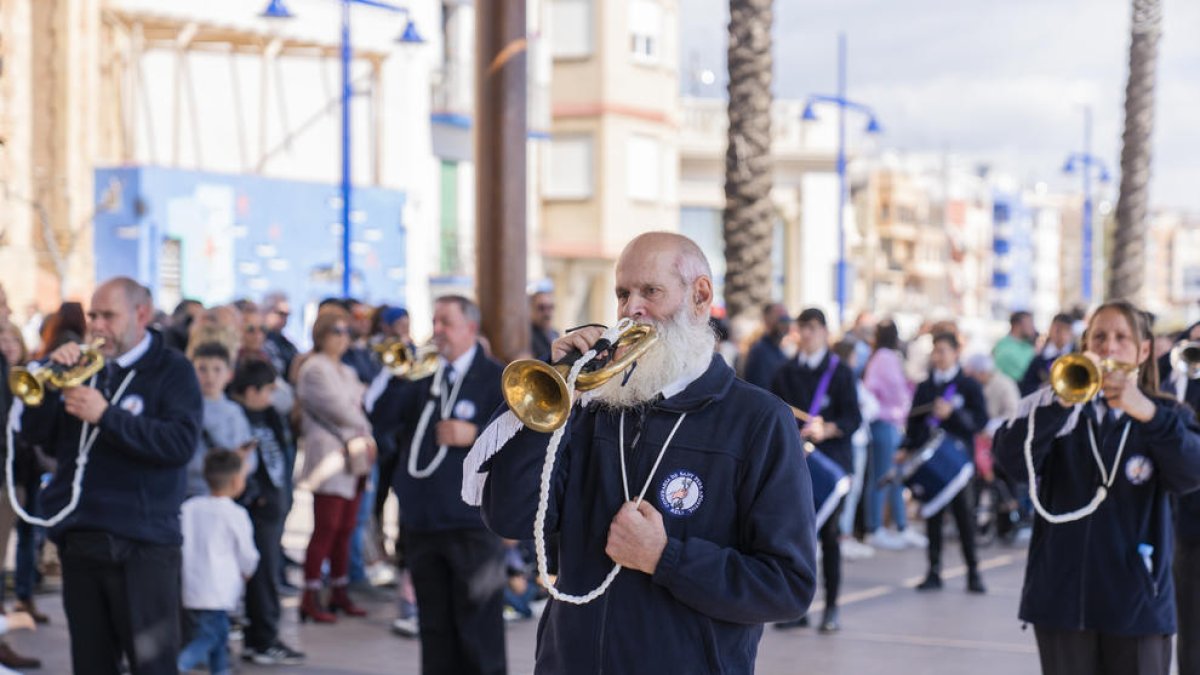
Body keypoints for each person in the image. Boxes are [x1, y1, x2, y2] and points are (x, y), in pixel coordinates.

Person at [471, 232, 817, 673]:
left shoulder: (759, 419)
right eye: (622, 293)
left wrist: (665, 557)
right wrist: (550, 401)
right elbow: (510, 517)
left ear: (700, 295)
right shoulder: (592, 405)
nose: (632, 308)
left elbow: (788, 585)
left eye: (650, 291)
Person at [994, 301, 1200, 675]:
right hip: (1061, 600)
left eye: (1122, 338)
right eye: (1099, 337)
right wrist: (1059, 406)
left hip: (1138, 604)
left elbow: (1191, 474)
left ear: (1143, 351)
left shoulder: (1168, 414)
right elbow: (1010, 464)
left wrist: (1148, 414)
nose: (1108, 347)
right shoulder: (1053, 406)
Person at [15, 277, 202, 673]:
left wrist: (106, 416)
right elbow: (38, 438)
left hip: (144, 546)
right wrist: (49, 384)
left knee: (152, 665)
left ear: (141, 314)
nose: (97, 326)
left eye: (108, 316)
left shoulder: (173, 370)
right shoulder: (83, 366)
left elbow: (179, 445)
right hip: (82, 540)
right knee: (91, 665)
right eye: (93, 316)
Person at [371, 295, 508, 674]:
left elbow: (521, 443)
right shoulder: (420, 376)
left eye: (446, 322)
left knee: (479, 629)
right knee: (434, 629)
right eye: (434, 321)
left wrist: (475, 433)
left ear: (470, 327)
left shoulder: (497, 378)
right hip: (422, 521)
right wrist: (397, 377)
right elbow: (381, 422)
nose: (438, 331)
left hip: (471, 524)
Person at [770, 307, 861, 632]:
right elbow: (775, 415)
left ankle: (832, 608)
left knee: (831, 536)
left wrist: (829, 428)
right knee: (798, 538)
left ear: (824, 331)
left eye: (811, 328)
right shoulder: (785, 372)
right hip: (797, 464)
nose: (806, 334)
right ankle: (797, 608)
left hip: (832, 465)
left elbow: (854, 419)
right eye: (801, 328)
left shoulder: (841, 373)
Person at [295, 306, 375, 623]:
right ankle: (310, 595)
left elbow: (362, 403)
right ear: (321, 335)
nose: (344, 339)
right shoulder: (314, 368)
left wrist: (359, 417)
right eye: (338, 332)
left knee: (346, 528)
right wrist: (362, 423)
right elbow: (343, 409)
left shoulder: (346, 370)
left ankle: (340, 592)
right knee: (325, 528)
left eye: (347, 333)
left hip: (352, 455)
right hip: (330, 457)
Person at [229, 360, 306, 665]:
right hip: (256, 509)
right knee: (262, 577)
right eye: (269, 390)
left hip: (274, 505)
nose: (274, 396)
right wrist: (256, 496)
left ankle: (262, 638)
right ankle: (262, 640)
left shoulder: (269, 415)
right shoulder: (239, 418)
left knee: (270, 574)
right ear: (251, 391)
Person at [905, 331, 988, 594]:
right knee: (933, 517)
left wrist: (954, 413)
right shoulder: (925, 386)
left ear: (955, 353)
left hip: (959, 463)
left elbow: (980, 422)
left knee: (965, 518)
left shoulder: (968, 386)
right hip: (932, 463)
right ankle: (933, 571)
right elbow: (913, 423)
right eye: (935, 351)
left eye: (943, 351)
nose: (938, 356)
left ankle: (973, 572)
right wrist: (907, 447)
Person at [178, 450, 260, 675]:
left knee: (219, 636)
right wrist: (248, 570)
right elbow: (247, 553)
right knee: (210, 636)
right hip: (219, 589)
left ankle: (220, 670)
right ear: (236, 481)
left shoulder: (189, 507)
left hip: (191, 585)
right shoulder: (235, 514)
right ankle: (177, 665)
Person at [863, 319, 921, 550]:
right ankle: (875, 527)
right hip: (885, 423)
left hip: (891, 424)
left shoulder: (881, 357)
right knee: (883, 477)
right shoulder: (885, 358)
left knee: (894, 478)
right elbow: (891, 391)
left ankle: (899, 525)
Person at [188, 342, 255, 497]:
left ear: (229, 374)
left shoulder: (234, 412)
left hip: (227, 495)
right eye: (202, 369)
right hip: (192, 492)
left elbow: (251, 459)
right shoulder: (184, 409)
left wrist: (240, 462)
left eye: (217, 369)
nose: (210, 376)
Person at [1019, 313, 1076, 395]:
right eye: (1058, 330)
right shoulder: (1039, 359)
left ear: (1071, 332)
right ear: (1050, 330)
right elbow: (1026, 387)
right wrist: (1043, 387)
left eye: (1066, 330)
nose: (1061, 334)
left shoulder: (1077, 356)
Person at [741, 302, 792, 389]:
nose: (784, 320)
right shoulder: (759, 352)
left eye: (785, 316)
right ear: (766, 318)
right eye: (779, 315)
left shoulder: (780, 352)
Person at [993, 310, 1037, 384]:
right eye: (1029, 323)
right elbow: (1024, 374)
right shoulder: (1004, 347)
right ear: (1017, 325)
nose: (1033, 327)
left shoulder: (1028, 345)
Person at [529, 291, 559, 361]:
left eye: (550, 307)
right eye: (541, 308)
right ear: (531, 309)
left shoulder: (555, 334)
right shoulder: (527, 336)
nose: (547, 313)